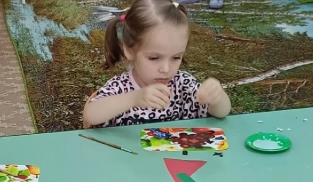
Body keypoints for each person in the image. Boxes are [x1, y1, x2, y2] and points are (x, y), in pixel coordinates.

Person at [83, 0, 231, 128]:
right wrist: (134, 98)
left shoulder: (183, 84)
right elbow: (90, 115)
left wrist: (217, 97)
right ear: (130, 50)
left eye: (176, 57)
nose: (166, 69)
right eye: (154, 58)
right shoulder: (121, 88)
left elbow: (222, 112)